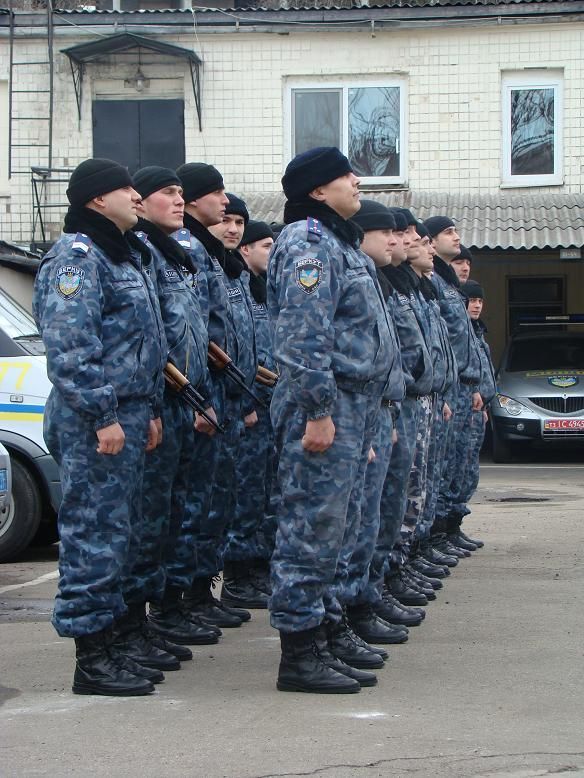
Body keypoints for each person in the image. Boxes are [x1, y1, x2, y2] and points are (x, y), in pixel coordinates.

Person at [33, 158, 166, 696]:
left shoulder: (124, 257)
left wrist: (150, 409)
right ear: (94, 200)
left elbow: (143, 344)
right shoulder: (77, 258)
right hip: (97, 419)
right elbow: (70, 348)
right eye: (125, 189)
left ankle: (118, 638)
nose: (138, 197)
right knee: (94, 535)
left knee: (123, 533)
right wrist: (102, 415)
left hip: (129, 412)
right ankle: (93, 657)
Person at [268, 147, 398, 694]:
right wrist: (319, 411)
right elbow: (303, 337)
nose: (357, 182)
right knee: (310, 529)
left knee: (334, 529)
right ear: (319, 190)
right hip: (324, 407)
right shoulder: (308, 244)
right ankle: (300, 654)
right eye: (347, 176)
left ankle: (323, 630)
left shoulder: (337, 245)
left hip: (353, 405)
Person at [175, 164, 251, 633]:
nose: (225, 205)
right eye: (216, 195)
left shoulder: (213, 257)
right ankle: (177, 603)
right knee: (187, 509)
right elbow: (187, 331)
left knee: (214, 503)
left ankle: (201, 591)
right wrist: (201, 397)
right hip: (196, 396)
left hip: (222, 396)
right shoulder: (184, 250)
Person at [424, 216, 483, 556]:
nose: (457, 237)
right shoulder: (431, 283)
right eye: (448, 232)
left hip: (459, 386)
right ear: (431, 243)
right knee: (438, 469)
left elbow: (460, 344)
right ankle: (431, 538)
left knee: (455, 466)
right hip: (446, 388)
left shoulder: (446, 287)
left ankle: (446, 531)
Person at [225, 220, 278, 595]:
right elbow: (235, 351)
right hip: (249, 405)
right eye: (266, 246)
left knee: (263, 495)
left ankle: (256, 567)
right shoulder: (237, 284)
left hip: (268, 406)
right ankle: (237, 576)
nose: (272, 254)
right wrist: (245, 401)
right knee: (243, 496)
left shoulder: (258, 289)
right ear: (246, 250)